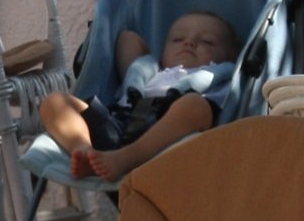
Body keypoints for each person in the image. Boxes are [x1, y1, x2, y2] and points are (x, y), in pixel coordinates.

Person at [38, 10, 238, 182]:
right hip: (118, 125)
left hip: (169, 142)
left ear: (230, 56)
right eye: (177, 39)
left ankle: (126, 158)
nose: (189, 42)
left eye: (207, 42)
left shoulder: (220, 76)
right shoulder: (150, 71)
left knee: (195, 105)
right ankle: (84, 150)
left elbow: (208, 110)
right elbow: (128, 39)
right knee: (54, 102)